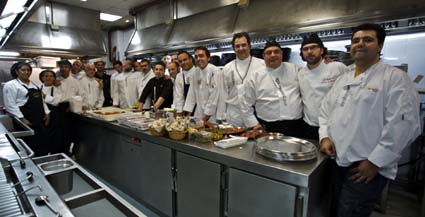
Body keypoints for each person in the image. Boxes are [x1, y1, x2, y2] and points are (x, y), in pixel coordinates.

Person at [319, 23, 421, 217]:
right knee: (335, 211)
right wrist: (325, 137)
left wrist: (375, 161)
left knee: (351, 213)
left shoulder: (394, 78)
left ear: (380, 45)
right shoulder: (344, 78)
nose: (360, 44)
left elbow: (405, 125)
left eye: (367, 40)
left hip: (365, 168)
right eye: (356, 40)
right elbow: (325, 111)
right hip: (337, 160)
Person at [240, 40, 304, 137]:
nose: (273, 55)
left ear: (282, 54)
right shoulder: (255, 76)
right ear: (263, 56)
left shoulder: (296, 69)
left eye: (276, 52)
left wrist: (325, 63)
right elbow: (245, 104)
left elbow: (312, 74)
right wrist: (254, 124)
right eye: (269, 53)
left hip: (295, 126)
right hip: (268, 126)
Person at [298, 33, 347, 140]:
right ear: (302, 53)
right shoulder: (300, 73)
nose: (309, 51)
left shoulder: (337, 67)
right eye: (305, 49)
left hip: (334, 125)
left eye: (313, 48)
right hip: (309, 126)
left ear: (321, 50)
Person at [3, 62, 50, 156]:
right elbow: (10, 105)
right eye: (23, 70)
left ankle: (42, 161)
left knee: (42, 143)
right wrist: (22, 119)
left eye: (28, 70)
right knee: (29, 145)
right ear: (17, 71)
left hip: (39, 120)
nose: (26, 72)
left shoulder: (34, 85)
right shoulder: (11, 85)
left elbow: (41, 101)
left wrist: (47, 113)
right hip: (25, 120)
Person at [220, 32, 264, 127]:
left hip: (255, 112)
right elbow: (223, 93)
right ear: (233, 48)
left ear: (249, 46)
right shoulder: (227, 68)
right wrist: (222, 115)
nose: (241, 49)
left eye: (244, 45)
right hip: (234, 113)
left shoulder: (262, 65)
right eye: (237, 46)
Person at [183, 46, 222, 123]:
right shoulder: (196, 72)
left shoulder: (215, 72)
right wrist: (187, 115)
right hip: (199, 112)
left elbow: (214, 98)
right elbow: (191, 94)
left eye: (201, 56)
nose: (198, 59)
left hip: (212, 115)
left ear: (208, 58)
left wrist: (205, 117)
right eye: (196, 57)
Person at [39, 69, 65, 154]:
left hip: (55, 116)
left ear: (54, 78)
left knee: (55, 137)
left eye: (51, 76)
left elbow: (56, 102)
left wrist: (44, 96)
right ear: (42, 78)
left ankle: (55, 154)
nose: (48, 78)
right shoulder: (38, 88)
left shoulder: (57, 88)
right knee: (43, 136)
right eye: (46, 76)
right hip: (42, 116)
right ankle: (44, 153)